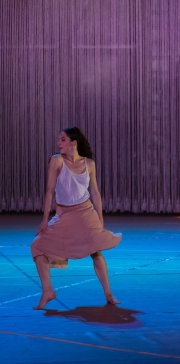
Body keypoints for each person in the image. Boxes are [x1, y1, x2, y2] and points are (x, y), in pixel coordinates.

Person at [30, 127, 122, 310]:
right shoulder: (56, 160)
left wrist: (100, 220)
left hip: (86, 213)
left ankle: (108, 293)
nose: (59, 143)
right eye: (58, 140)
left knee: (96, 252)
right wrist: (44, 220)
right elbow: (49, 191)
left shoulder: (89, 164)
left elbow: (95, 193)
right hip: (63, 215)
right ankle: (48, 290)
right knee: (37, 246)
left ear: (74, 142)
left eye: (63, 139)